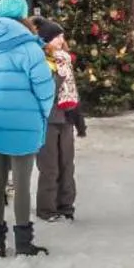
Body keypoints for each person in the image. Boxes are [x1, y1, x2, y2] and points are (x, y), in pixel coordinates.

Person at [0, 0, 57, 258]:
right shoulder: (29, 48)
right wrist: (42, 112)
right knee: (21, 183)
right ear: (23, 16)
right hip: (23, 123)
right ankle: (23, 242)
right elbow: (44, 88)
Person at [33, 17, 80, 223]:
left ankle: (66, 205)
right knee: (49, 166)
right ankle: (47, 208)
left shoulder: (65, 60)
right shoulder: (41, 62)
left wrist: (78, 115)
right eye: (57, 37)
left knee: (67, 164)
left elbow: (72, 91)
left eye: (62, 36)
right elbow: (45, 92)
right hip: (47, 119)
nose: (61, 40)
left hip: (66, 117)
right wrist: (58, 74)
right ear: (46, 40)